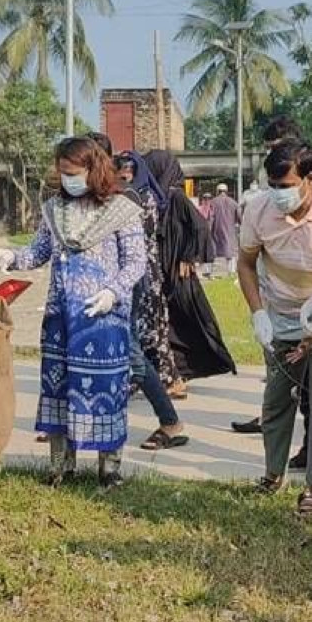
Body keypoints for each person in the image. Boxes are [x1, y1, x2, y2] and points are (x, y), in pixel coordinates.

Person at [0, 137, 147, 488]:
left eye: (73, 173)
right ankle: (61, 466)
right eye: (63, 172)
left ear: (94, 170)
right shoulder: (54, 209)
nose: (67, 179)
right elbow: (38, 252)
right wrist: (11, 258)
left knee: (105, 387)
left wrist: (113, 292)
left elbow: (136, 262)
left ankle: (110, 468)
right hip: (61, 316)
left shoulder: (122, 210)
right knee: (59, 387)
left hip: (103, 318)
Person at [240, 139, 312, 517]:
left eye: (286, 185)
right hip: (281, 315)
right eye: (272, 185)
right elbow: (246, 263)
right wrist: (258, 313)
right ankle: (272, 473)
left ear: (310, 178)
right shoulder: (258, 209)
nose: (278, 193)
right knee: (277, 398)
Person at [144, 150, 236, 397]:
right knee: (166, 323)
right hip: (162, 271)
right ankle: (171, 375)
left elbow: (200, 226)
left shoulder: (175, 196)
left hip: (177, 272)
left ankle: (176, 376)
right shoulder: (156, 198)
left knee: (180, 322)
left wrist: (188, 256)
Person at [114, 150, 189, 451]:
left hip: (133, 280)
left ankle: (170, 415)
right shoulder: (103, 198)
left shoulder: (135, 199)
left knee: (139, 345)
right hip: (116, 282)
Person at [208, 183, 240, 278]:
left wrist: (208, 230)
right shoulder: (233, 202)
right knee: (230, 252)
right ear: (226, 191)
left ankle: (212, 273)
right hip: (230, 231)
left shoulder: (213, 202)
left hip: (216, 231)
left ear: (217, 191)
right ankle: (231, 272)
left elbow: (210, 218)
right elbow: (239, 217)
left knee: (214, 252)